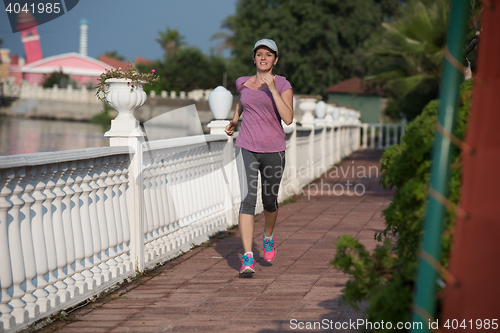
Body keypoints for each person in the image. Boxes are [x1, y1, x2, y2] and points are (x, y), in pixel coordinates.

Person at [225, 39, 293, 275]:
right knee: (247, 200)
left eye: (268, 54)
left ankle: (268, 236)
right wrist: (234, 120)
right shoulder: (242, 83)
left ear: (275, 59)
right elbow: (241, 103)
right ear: (253, 58)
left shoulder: (283, 84)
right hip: (247, 147)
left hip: (274, 150)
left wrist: (272, 88)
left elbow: (288, 118)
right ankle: (247, 258)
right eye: (259, 54)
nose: (263, 58)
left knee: (269, 201)